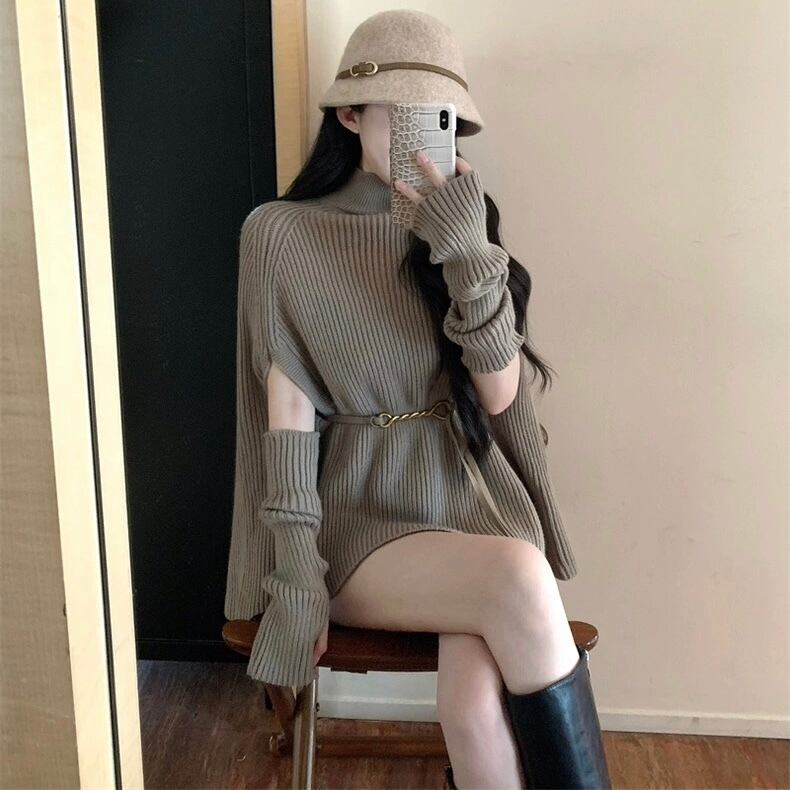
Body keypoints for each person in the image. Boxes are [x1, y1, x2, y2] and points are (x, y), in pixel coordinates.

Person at [224, 9, 612, 789]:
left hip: (471, 500)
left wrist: (466, 250)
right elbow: (287, 415)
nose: (422, 130)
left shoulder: (465, 226)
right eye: (403, 109)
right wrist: (296, 573)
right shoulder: (280, 234)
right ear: (349, 114)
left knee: (471, 711)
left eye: (440, 115)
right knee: (517, 578)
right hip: (361, 517)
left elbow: (499, 393)